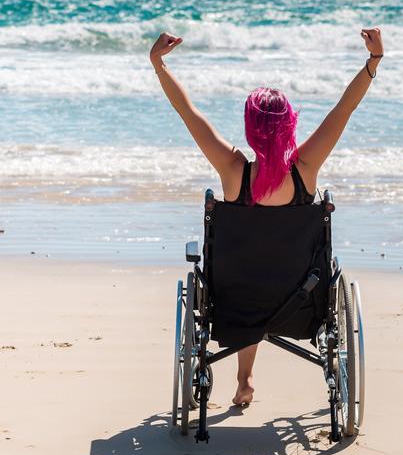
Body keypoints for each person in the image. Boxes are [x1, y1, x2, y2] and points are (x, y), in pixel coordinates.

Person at [150, 27, 383, 406]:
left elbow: (186, 111)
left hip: (235, 301)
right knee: (269, 273)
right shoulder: (305, 168)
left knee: (249, 273)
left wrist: (158, 65)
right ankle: (246, 378)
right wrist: (373, 62)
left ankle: (244, 380)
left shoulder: (232, 170)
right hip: (301, 303)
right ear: (289, 123)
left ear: (250, 129)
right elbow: (345, 108)